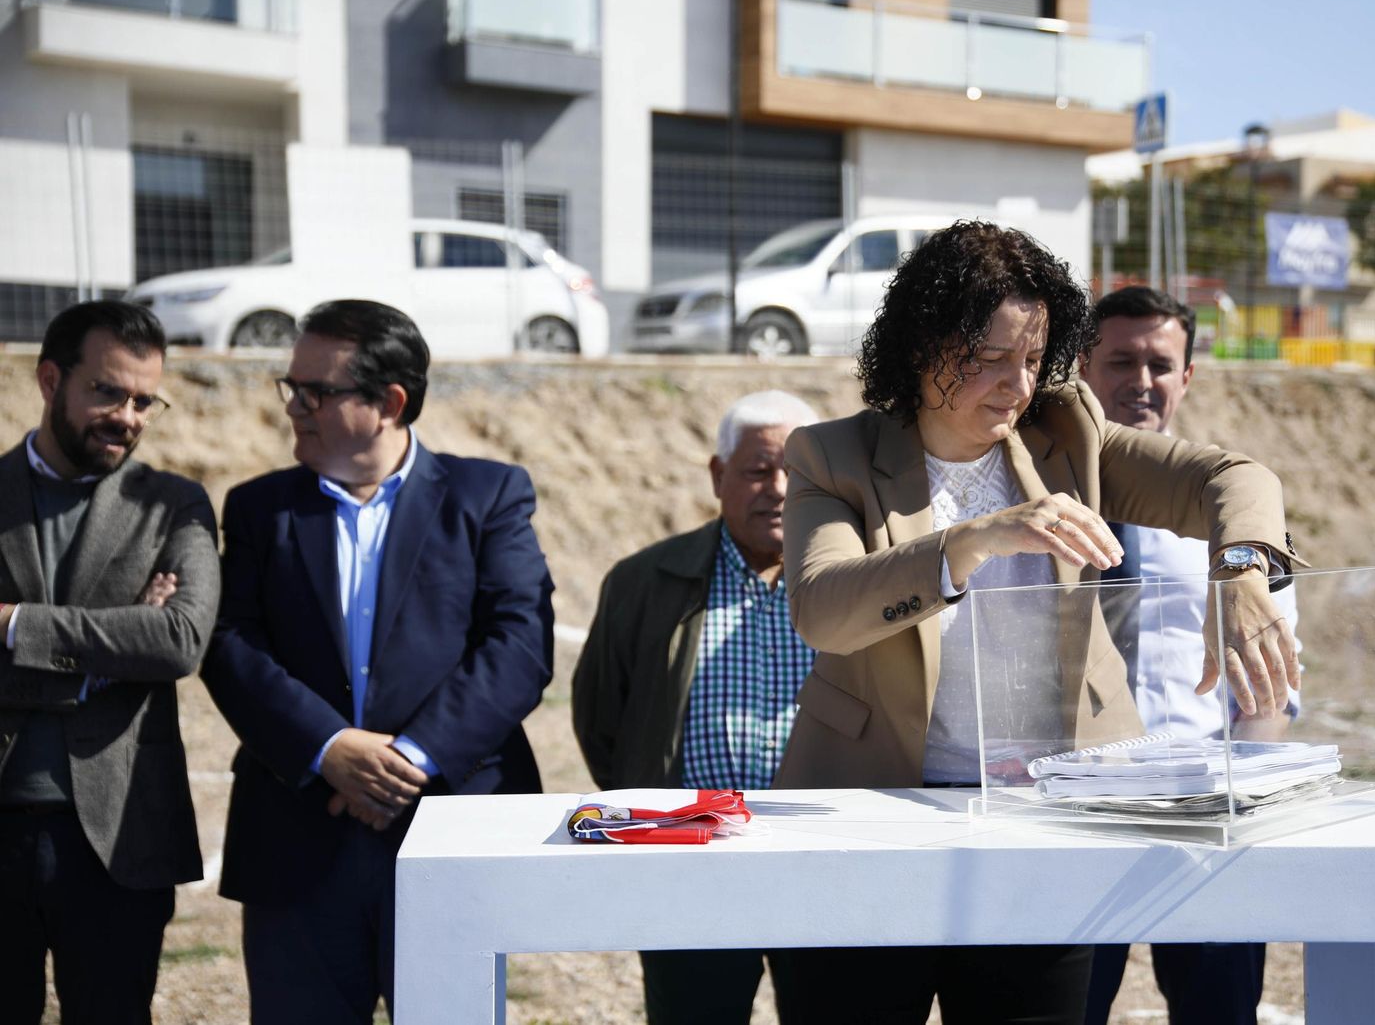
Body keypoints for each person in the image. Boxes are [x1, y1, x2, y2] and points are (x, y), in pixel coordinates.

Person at [773, 222, 1302, 1025]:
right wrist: (975, 539)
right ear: (922, 347)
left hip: (1042, 829)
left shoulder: (1070, 433)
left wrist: (1239, 570)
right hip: (874, 821)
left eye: (1031, 358)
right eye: (988, 358)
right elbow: (822, 606)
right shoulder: (832, 457)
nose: (1017, 384)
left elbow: (1232, 476)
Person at [201, 299, 555, 1024]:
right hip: (297, 838)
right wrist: (329, 749)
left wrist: (409, 761)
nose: (294, 406)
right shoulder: (258, 509)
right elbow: (230, 644)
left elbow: (520, 644)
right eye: (291, 386)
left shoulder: (487, 496)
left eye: (316, 391)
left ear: (390, 402)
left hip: (447, 829)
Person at [1079, 285, 1297, 1025]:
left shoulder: (1235, 507)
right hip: (1074, 813)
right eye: (1120, 360)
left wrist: (1240, 800)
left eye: (1160, 363)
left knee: (1218, 1014)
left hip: (1204, 813)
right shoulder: (1037, 500)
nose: (1141, 380)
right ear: (1082, 366)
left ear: (1188, 376)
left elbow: (1268, 687)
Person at [0, 300, 220, 1025]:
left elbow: (179, 642)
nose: (127, 415)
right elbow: (143, 645)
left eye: (143, 400)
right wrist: (113, 647)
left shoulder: (176, 507)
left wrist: (14, 627)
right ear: (50, 379)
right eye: (106, 391)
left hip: (119, 836)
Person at [573, 389, 819, 1024]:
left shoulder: (857, 580)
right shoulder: (644, 581)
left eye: (795, 471)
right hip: (690, 857)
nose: (779, 488)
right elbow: (602, 718)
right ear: (718, 476)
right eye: (758, 470)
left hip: (825, 856)